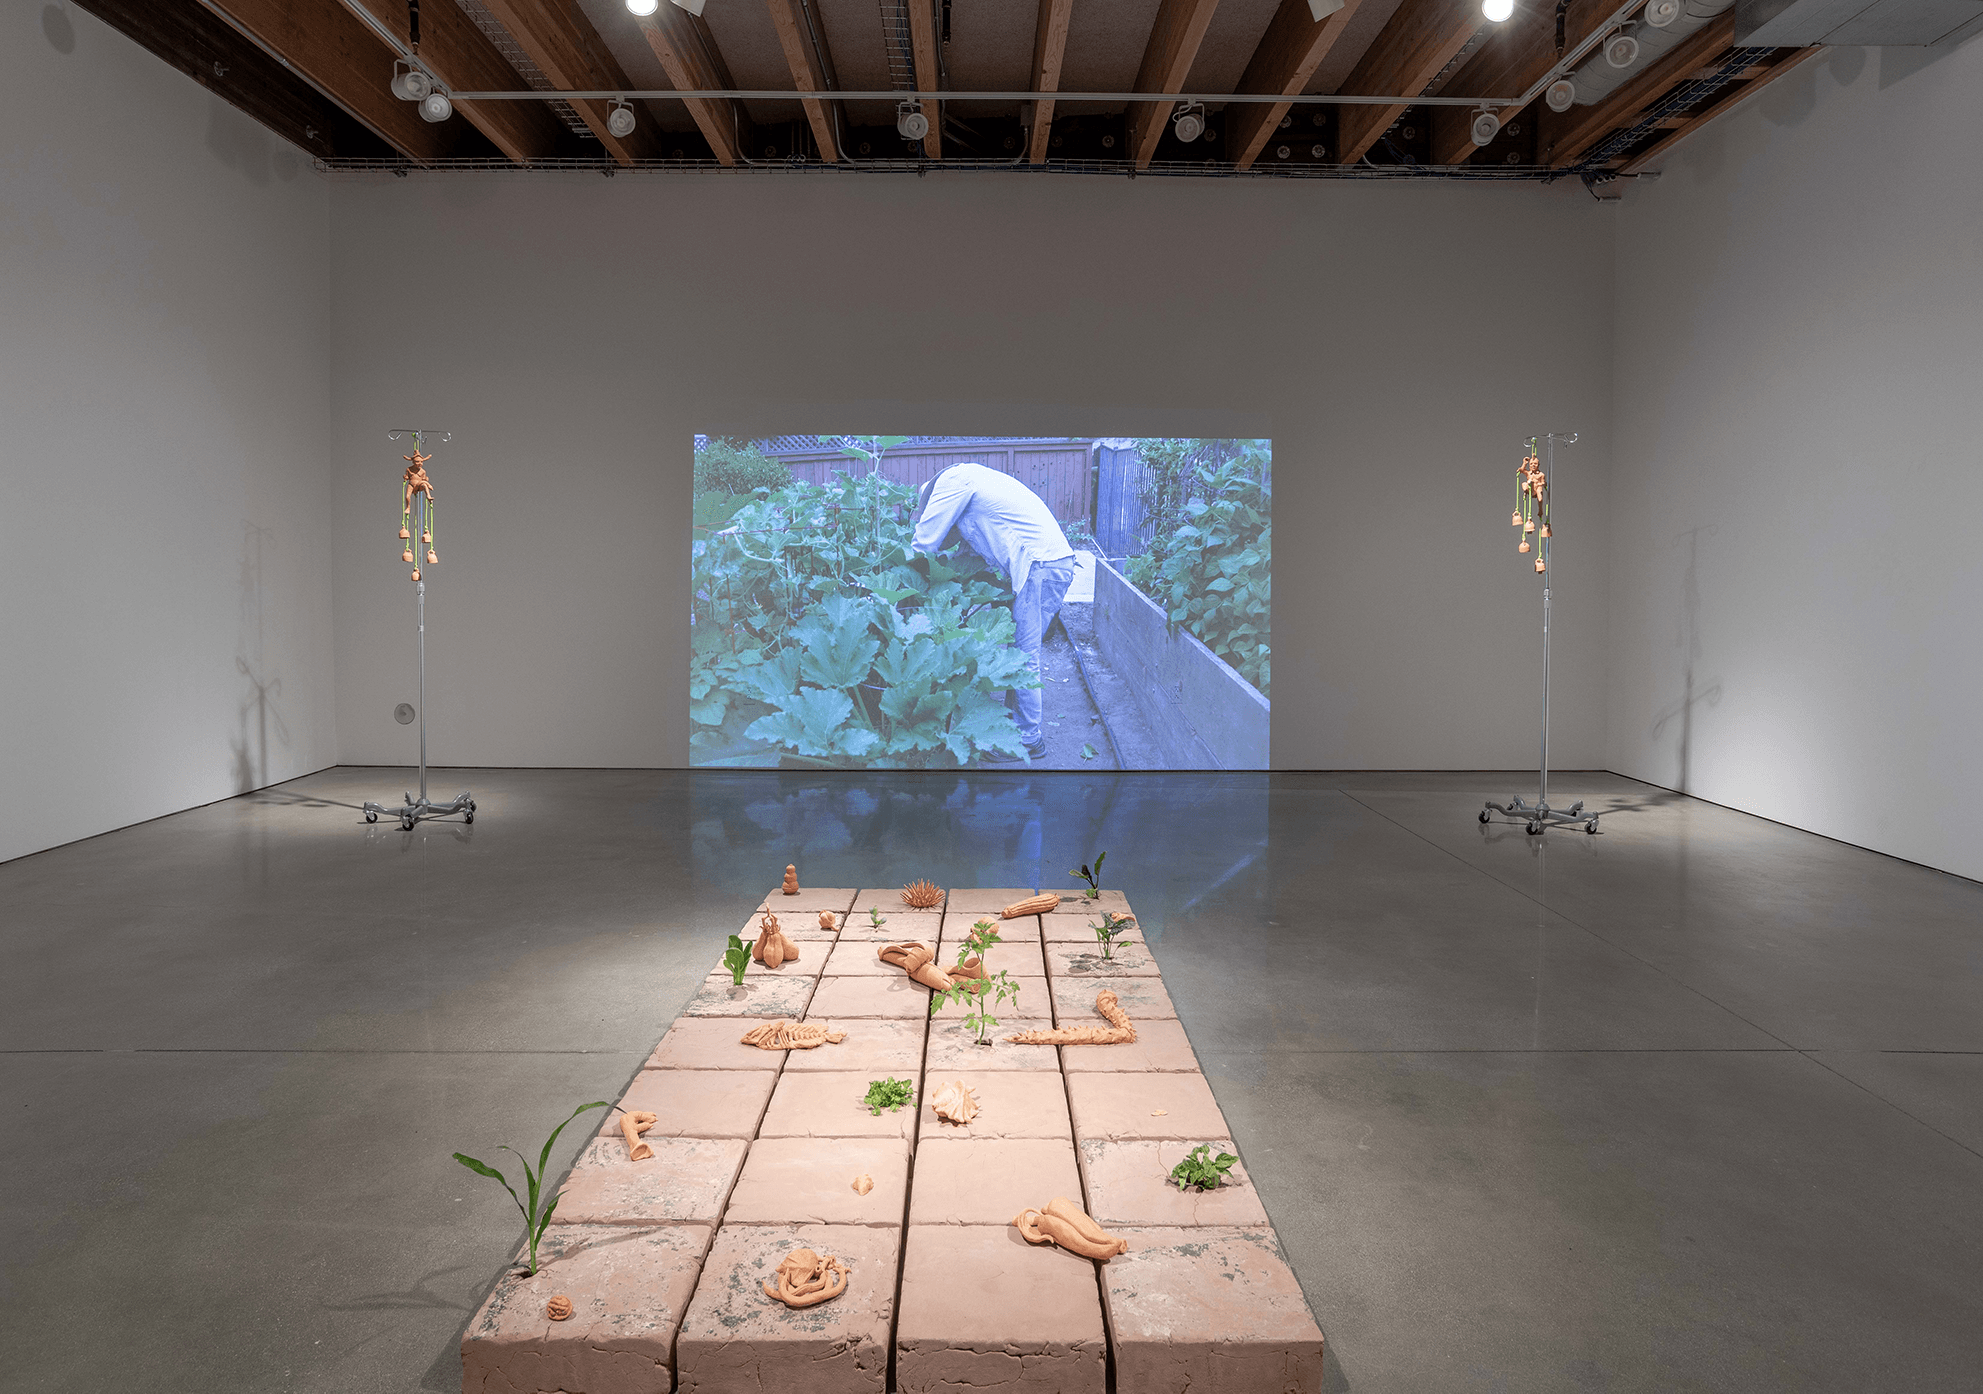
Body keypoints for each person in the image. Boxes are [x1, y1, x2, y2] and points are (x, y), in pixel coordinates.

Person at [912, 463, 1077, 764]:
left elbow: (924, 543)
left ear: (933, 499)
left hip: (1039, 566)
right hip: (1050, 564)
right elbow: (967, 557)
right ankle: (1016, 731)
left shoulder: (954, 479)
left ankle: (1028, 740)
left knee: (1024, 658)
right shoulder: (979, 485)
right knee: (1018, 655)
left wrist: (906, 577)